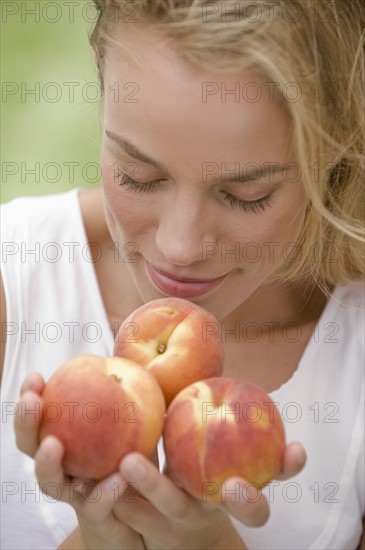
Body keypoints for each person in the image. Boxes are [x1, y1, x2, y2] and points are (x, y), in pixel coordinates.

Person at [1, 0, 364, 548]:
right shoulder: (16, 282)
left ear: (335, 151)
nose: (180, 247)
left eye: (247, 195)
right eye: (138, 174)